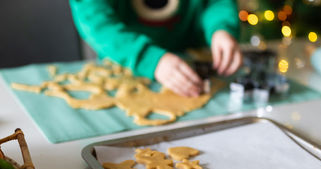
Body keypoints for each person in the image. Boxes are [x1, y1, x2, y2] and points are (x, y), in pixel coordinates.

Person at [69, 0, 242, 97]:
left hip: (193, 62)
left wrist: (221, 28)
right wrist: (148, 58)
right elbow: (97, 21)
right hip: (124, 64)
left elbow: (216, 3)